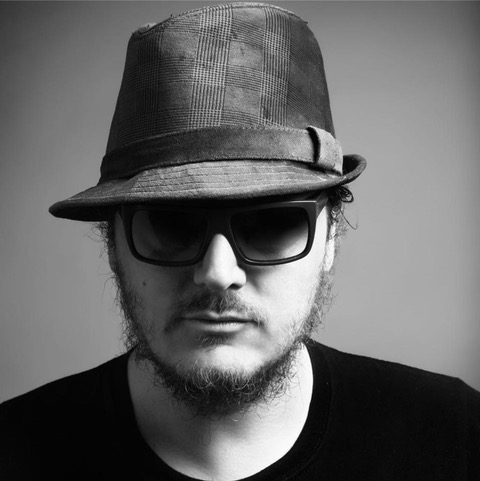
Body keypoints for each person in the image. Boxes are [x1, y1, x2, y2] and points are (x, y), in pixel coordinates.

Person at [1, 3, 479, 480]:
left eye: (270, 225)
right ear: (112, 245)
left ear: (330, 237)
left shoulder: (457, 437)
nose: (217, 274)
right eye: (170, 226)